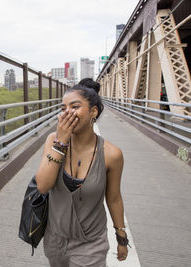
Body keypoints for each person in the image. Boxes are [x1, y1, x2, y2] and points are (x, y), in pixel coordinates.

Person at [35, 84, 128, 266]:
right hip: (55, 240)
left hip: (91, 243)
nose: (67, 113)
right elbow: (42, 186)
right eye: (63, 109)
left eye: (75, 107)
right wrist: (60, 143)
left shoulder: (112, 154)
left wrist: (121, 236)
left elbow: (114, 198)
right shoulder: (52, 141)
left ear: (93, 112)